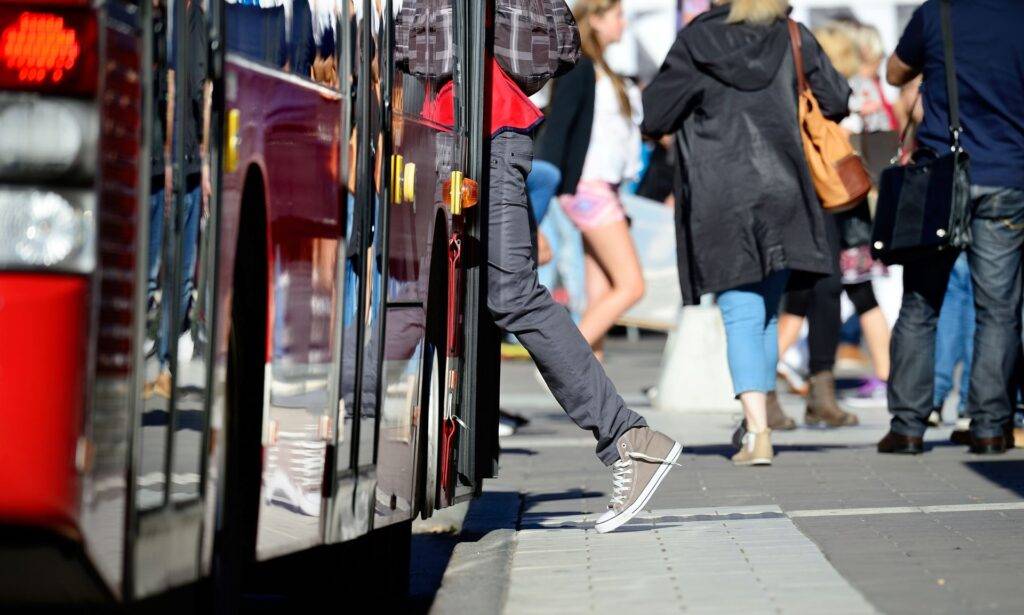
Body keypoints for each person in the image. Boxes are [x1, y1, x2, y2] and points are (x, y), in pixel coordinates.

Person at [420, 9, 682, 530]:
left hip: (485, 133)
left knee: (513, 294)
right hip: (479, 131)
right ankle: (627, 437)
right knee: (479, 292)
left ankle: (629, 438)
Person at [642, 0, 850, 466]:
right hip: (785, 189)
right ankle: (758, 419)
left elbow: (657, 115)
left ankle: (758, 430)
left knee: (740, 313)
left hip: (721, 191)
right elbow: (837, 98)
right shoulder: (791, 34)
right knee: (765, 314)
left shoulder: (698, 39)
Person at [879, 0, 1024, 455]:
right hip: (1007, 174)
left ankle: (907, 427)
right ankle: (989, 426)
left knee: (921, 304)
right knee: (998, 308)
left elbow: (895, 73)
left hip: (940, 177)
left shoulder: (937, 13)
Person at [535, 0, 645, 362]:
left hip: (603, 186)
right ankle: (563, 360)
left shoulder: (603, 69)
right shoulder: (580, 68)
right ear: (595, 20)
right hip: (590, 187)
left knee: (601, 295)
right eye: (617, 16)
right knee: (630, 285)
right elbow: (559, 128)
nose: (623, 24)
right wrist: (549, 188)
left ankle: (594, 395)